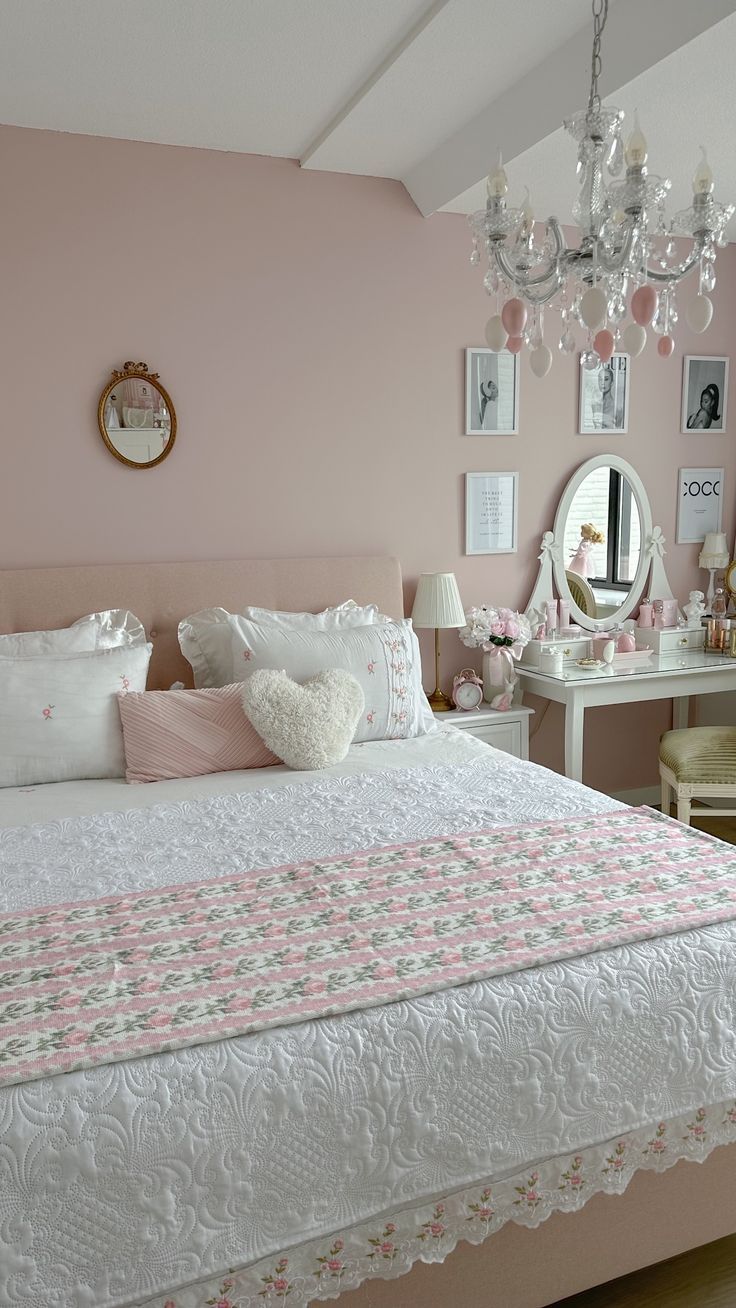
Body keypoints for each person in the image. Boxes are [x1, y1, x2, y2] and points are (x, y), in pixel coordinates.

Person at [591, 363, 624, 430]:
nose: (602, 383)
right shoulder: (594, 404)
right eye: (600, 379)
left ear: (612, 382)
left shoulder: (618, 408)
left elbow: (618, 430)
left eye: (606, 379)